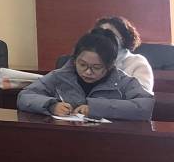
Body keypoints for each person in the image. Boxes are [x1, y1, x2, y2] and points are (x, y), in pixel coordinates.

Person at [18, 29, 154, 121]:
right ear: (74, 59)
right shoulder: (60, 76)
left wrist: (96, 108)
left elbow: (145, 107)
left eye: (96, 67)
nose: (88, 72)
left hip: (109, 142)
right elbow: (24, 96)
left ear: (110, 66)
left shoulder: (123, 81)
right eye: (82, 65)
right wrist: (51, 105)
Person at [93, 15, 154, 94]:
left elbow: (142, 96)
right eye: (100, 35)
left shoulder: (138, 62)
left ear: (123, 38)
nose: (103, 39)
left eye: (109, 34)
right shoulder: (91, 60)